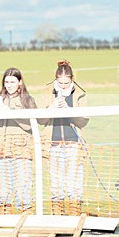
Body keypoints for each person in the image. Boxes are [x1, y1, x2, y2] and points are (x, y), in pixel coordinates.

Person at [0, 67, 38, 215]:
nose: (9, 85)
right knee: (1, 191)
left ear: (20, 82)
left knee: (22, 188)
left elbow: (30, 125)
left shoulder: (27, 100)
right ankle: (3, 221)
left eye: (12, 81)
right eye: (6, 82)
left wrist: (11, 113)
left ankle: (26, 220)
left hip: (21, 151)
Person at [41, 60, 88, 215]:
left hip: (74, 144)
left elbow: (83, 121)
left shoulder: (80, 93)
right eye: (60, 83)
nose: (62, 86)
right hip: (53, 145)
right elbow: (41, 120)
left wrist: (69, 111)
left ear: (72, 79)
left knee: (74, 184)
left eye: (66, 83)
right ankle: (57, 216)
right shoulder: (47, 92)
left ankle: (74, 216)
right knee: (56, 184)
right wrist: (52, 108)